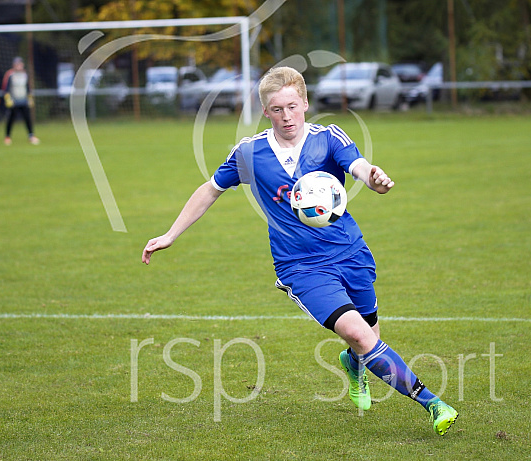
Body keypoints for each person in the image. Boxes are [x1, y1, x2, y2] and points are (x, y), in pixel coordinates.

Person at [142, 66, 458, 436]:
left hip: (350, 252)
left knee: (368, 332)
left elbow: (358, 167)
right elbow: (211, 188)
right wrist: (171, 234)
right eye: (277, 109)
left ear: (305, 103)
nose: (286, 116)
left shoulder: (329, 139)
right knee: (359, 335)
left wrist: (374, 179)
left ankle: (354, 366)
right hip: (301, 267)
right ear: (265, 111)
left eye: (292, 106)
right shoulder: (250, 153)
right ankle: (433, 402)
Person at [1, 57, 39, 146]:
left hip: (23, 101)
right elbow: (5, 89)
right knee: (10, 119)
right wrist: (8, 99)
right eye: (17, 64)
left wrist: (30, 98)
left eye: (20, 64)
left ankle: (31, 136)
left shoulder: (25, 74)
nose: (19, 66)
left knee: (28, 119)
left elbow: (28, 88)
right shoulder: (10, 74)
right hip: (13, 101)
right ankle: (7, 137)